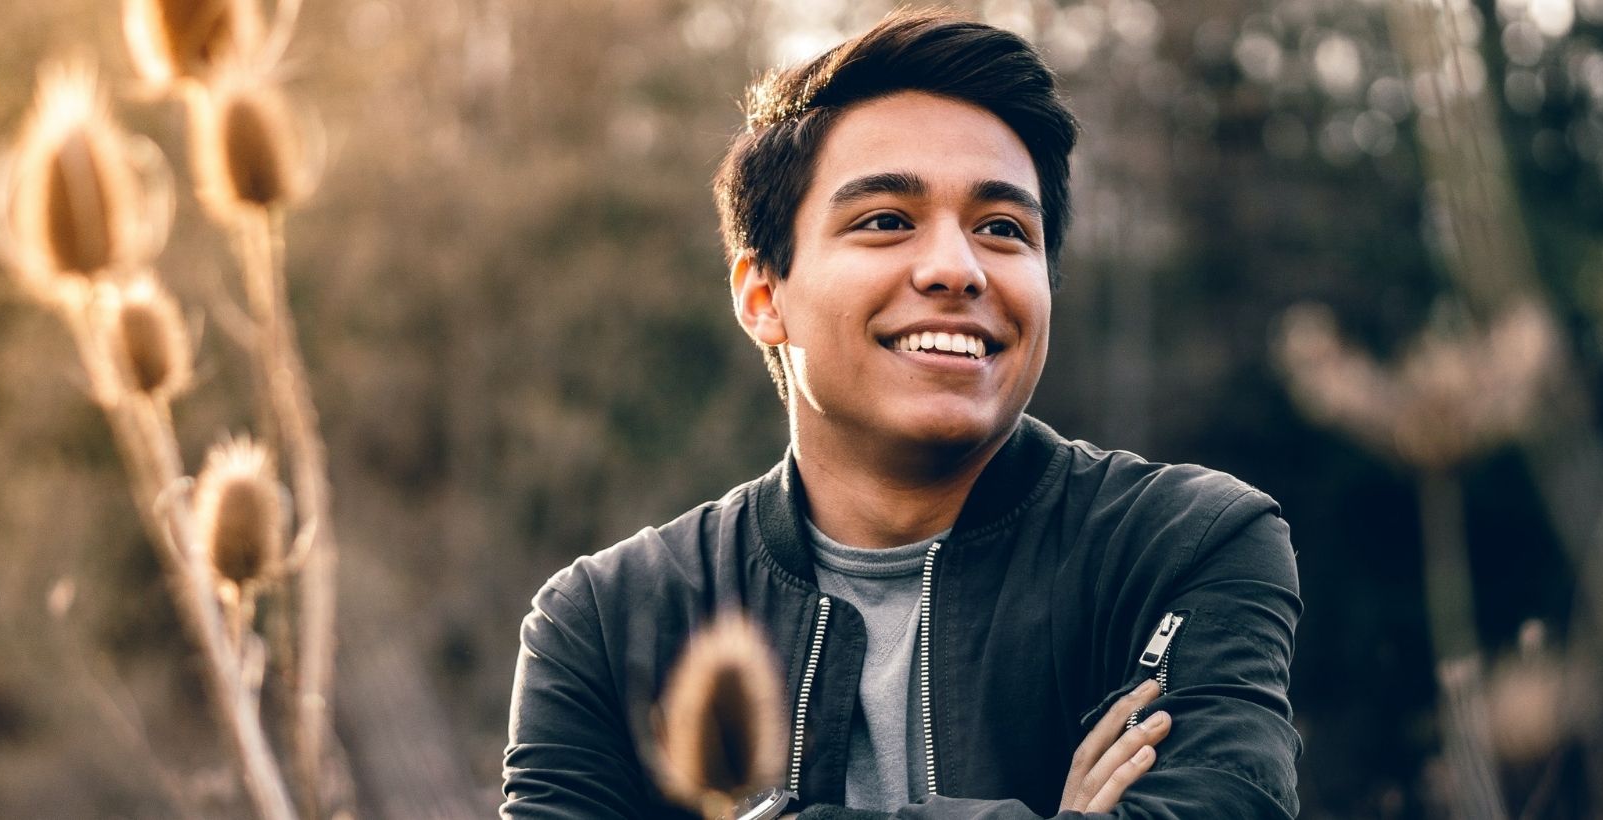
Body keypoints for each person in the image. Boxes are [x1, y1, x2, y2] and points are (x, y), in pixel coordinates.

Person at [502, 9, 1301, 819]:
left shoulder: (1185, 545)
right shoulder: (606, 622)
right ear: (761, 295)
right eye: (886, 221)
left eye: (1002, 229)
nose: (957, 268)